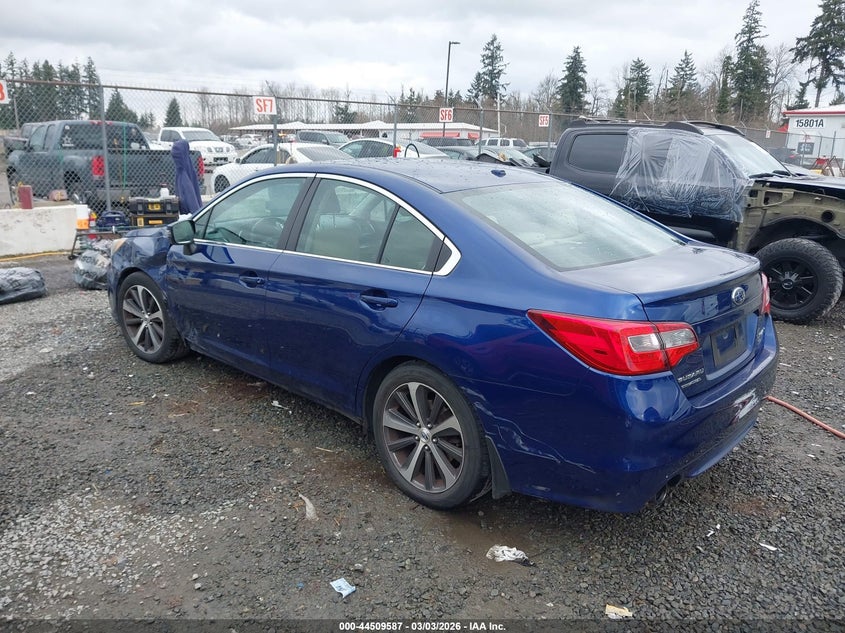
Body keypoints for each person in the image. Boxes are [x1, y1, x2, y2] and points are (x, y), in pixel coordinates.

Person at [170, 139, 202, 215]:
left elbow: (190, 196)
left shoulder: (183, 173)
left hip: (189, 213)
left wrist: (196, 214)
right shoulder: (185, 170)